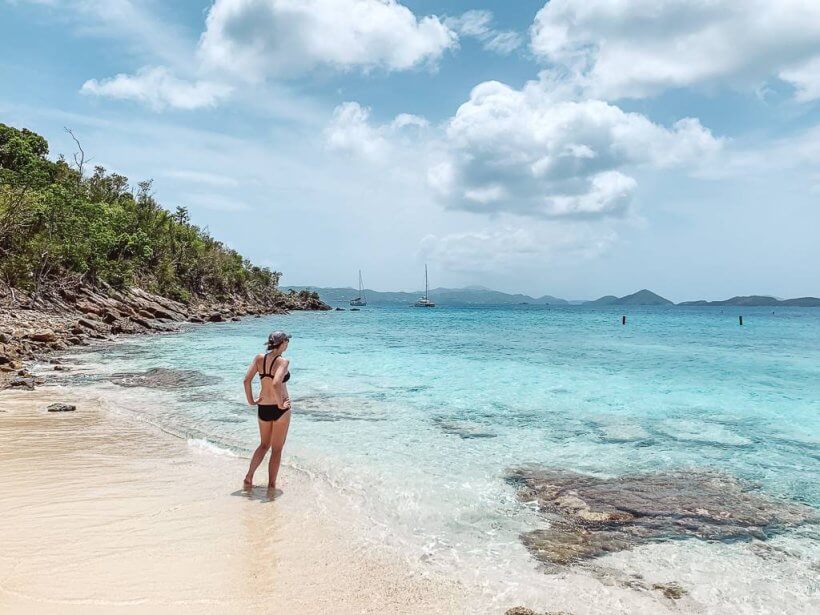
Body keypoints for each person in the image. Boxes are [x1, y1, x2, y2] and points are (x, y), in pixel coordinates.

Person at [243, 330, 292, 491]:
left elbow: (246, 380)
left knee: (264, 445)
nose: (288, 344)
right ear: (283, 343)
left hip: (263, 406)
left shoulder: (259, 358)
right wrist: (280, 404)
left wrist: (251, 401)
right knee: (276, 449)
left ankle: (249, 476)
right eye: (287, 341)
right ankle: (271, 485)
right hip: (280, 409)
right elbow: (277, 383)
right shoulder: (283, 361)